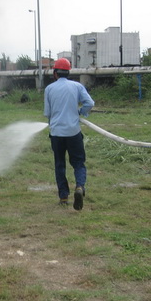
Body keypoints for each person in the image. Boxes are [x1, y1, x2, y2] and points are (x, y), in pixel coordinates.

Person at [44, 58, 95, 210]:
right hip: (73, 132)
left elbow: (47, 113)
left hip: (57, 134)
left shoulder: (49, 89)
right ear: (68, 72)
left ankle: (63, 197)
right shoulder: (77, 86)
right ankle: (79, 187)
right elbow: (90, 103)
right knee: (78, 163)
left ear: (55, 73)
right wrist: (81, 112)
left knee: (60, 164)